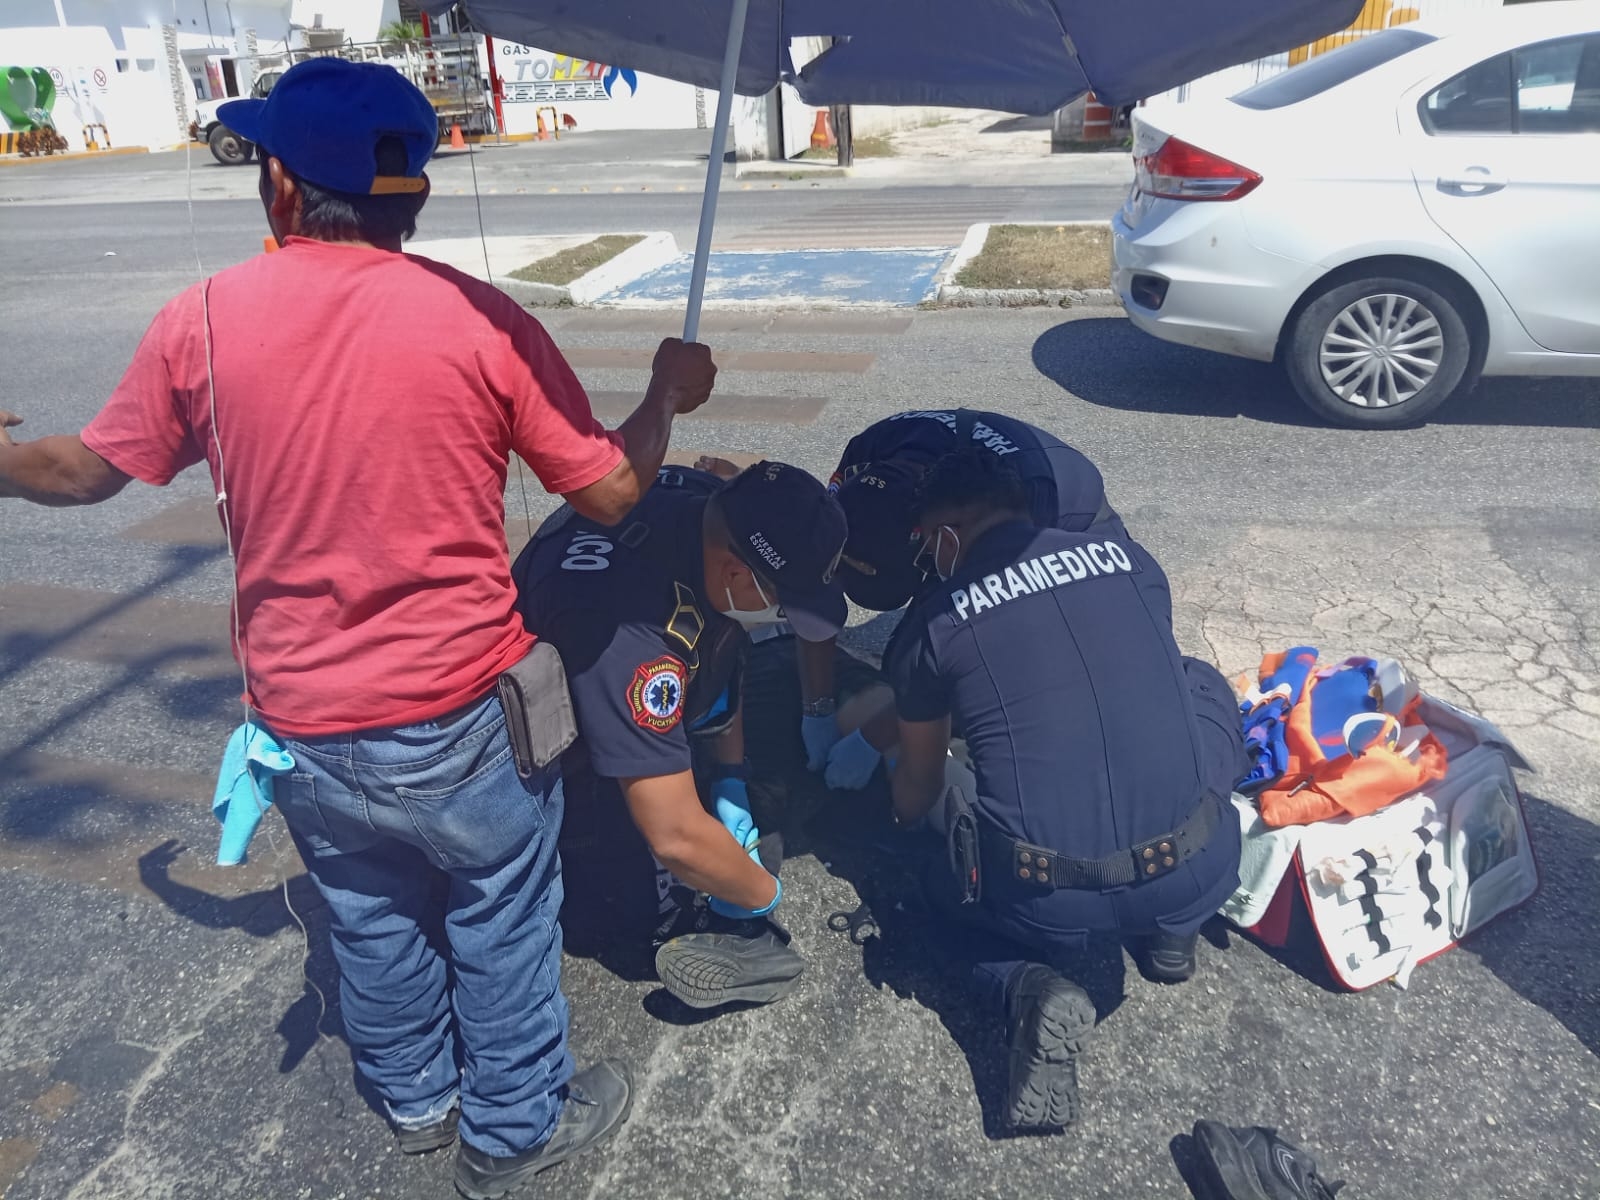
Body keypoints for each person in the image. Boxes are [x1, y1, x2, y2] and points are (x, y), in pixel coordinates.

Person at [0, 57, 718, 1200]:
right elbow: (615, 496)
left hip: (302, 724)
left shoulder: (203, 323)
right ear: (415, 196)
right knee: (501, 912)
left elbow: (79, 475)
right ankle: (514, 1124)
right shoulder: (483, 321)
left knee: (368, 915)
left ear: (283, 188)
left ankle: (417, 1098)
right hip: (459, 714)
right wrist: (667, 395)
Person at [881, 451, 1246, 1131]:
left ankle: (1024, 984)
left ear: (952, 529)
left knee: (925, 897)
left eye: (929, 539)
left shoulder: (932, 625)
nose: (929, 556)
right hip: (1204, 862)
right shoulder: (1131, 563)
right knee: (1200, 682)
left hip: (1046, 905)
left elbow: (920, 787)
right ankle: (1174, 936)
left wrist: (906, 811)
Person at [513, 461, 848, 1009]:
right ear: (737, 573)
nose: (780, 616)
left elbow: (719, 645)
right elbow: (672, 836)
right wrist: (762, 896)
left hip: (619, 685)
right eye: (783, 604)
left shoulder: (707, 504)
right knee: (631, 919)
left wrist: (731, 780)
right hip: (557, 754)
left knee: (733, 823)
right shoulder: (631, 639)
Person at [703, 409, 1126, 793]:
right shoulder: (863, 462)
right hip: (942, 520)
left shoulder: (1013, 517)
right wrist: (818, 709)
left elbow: (976, 655)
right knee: (903, 665)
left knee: (1034, 679)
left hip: (1070, 521)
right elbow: (816, 588)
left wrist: (871, 740)